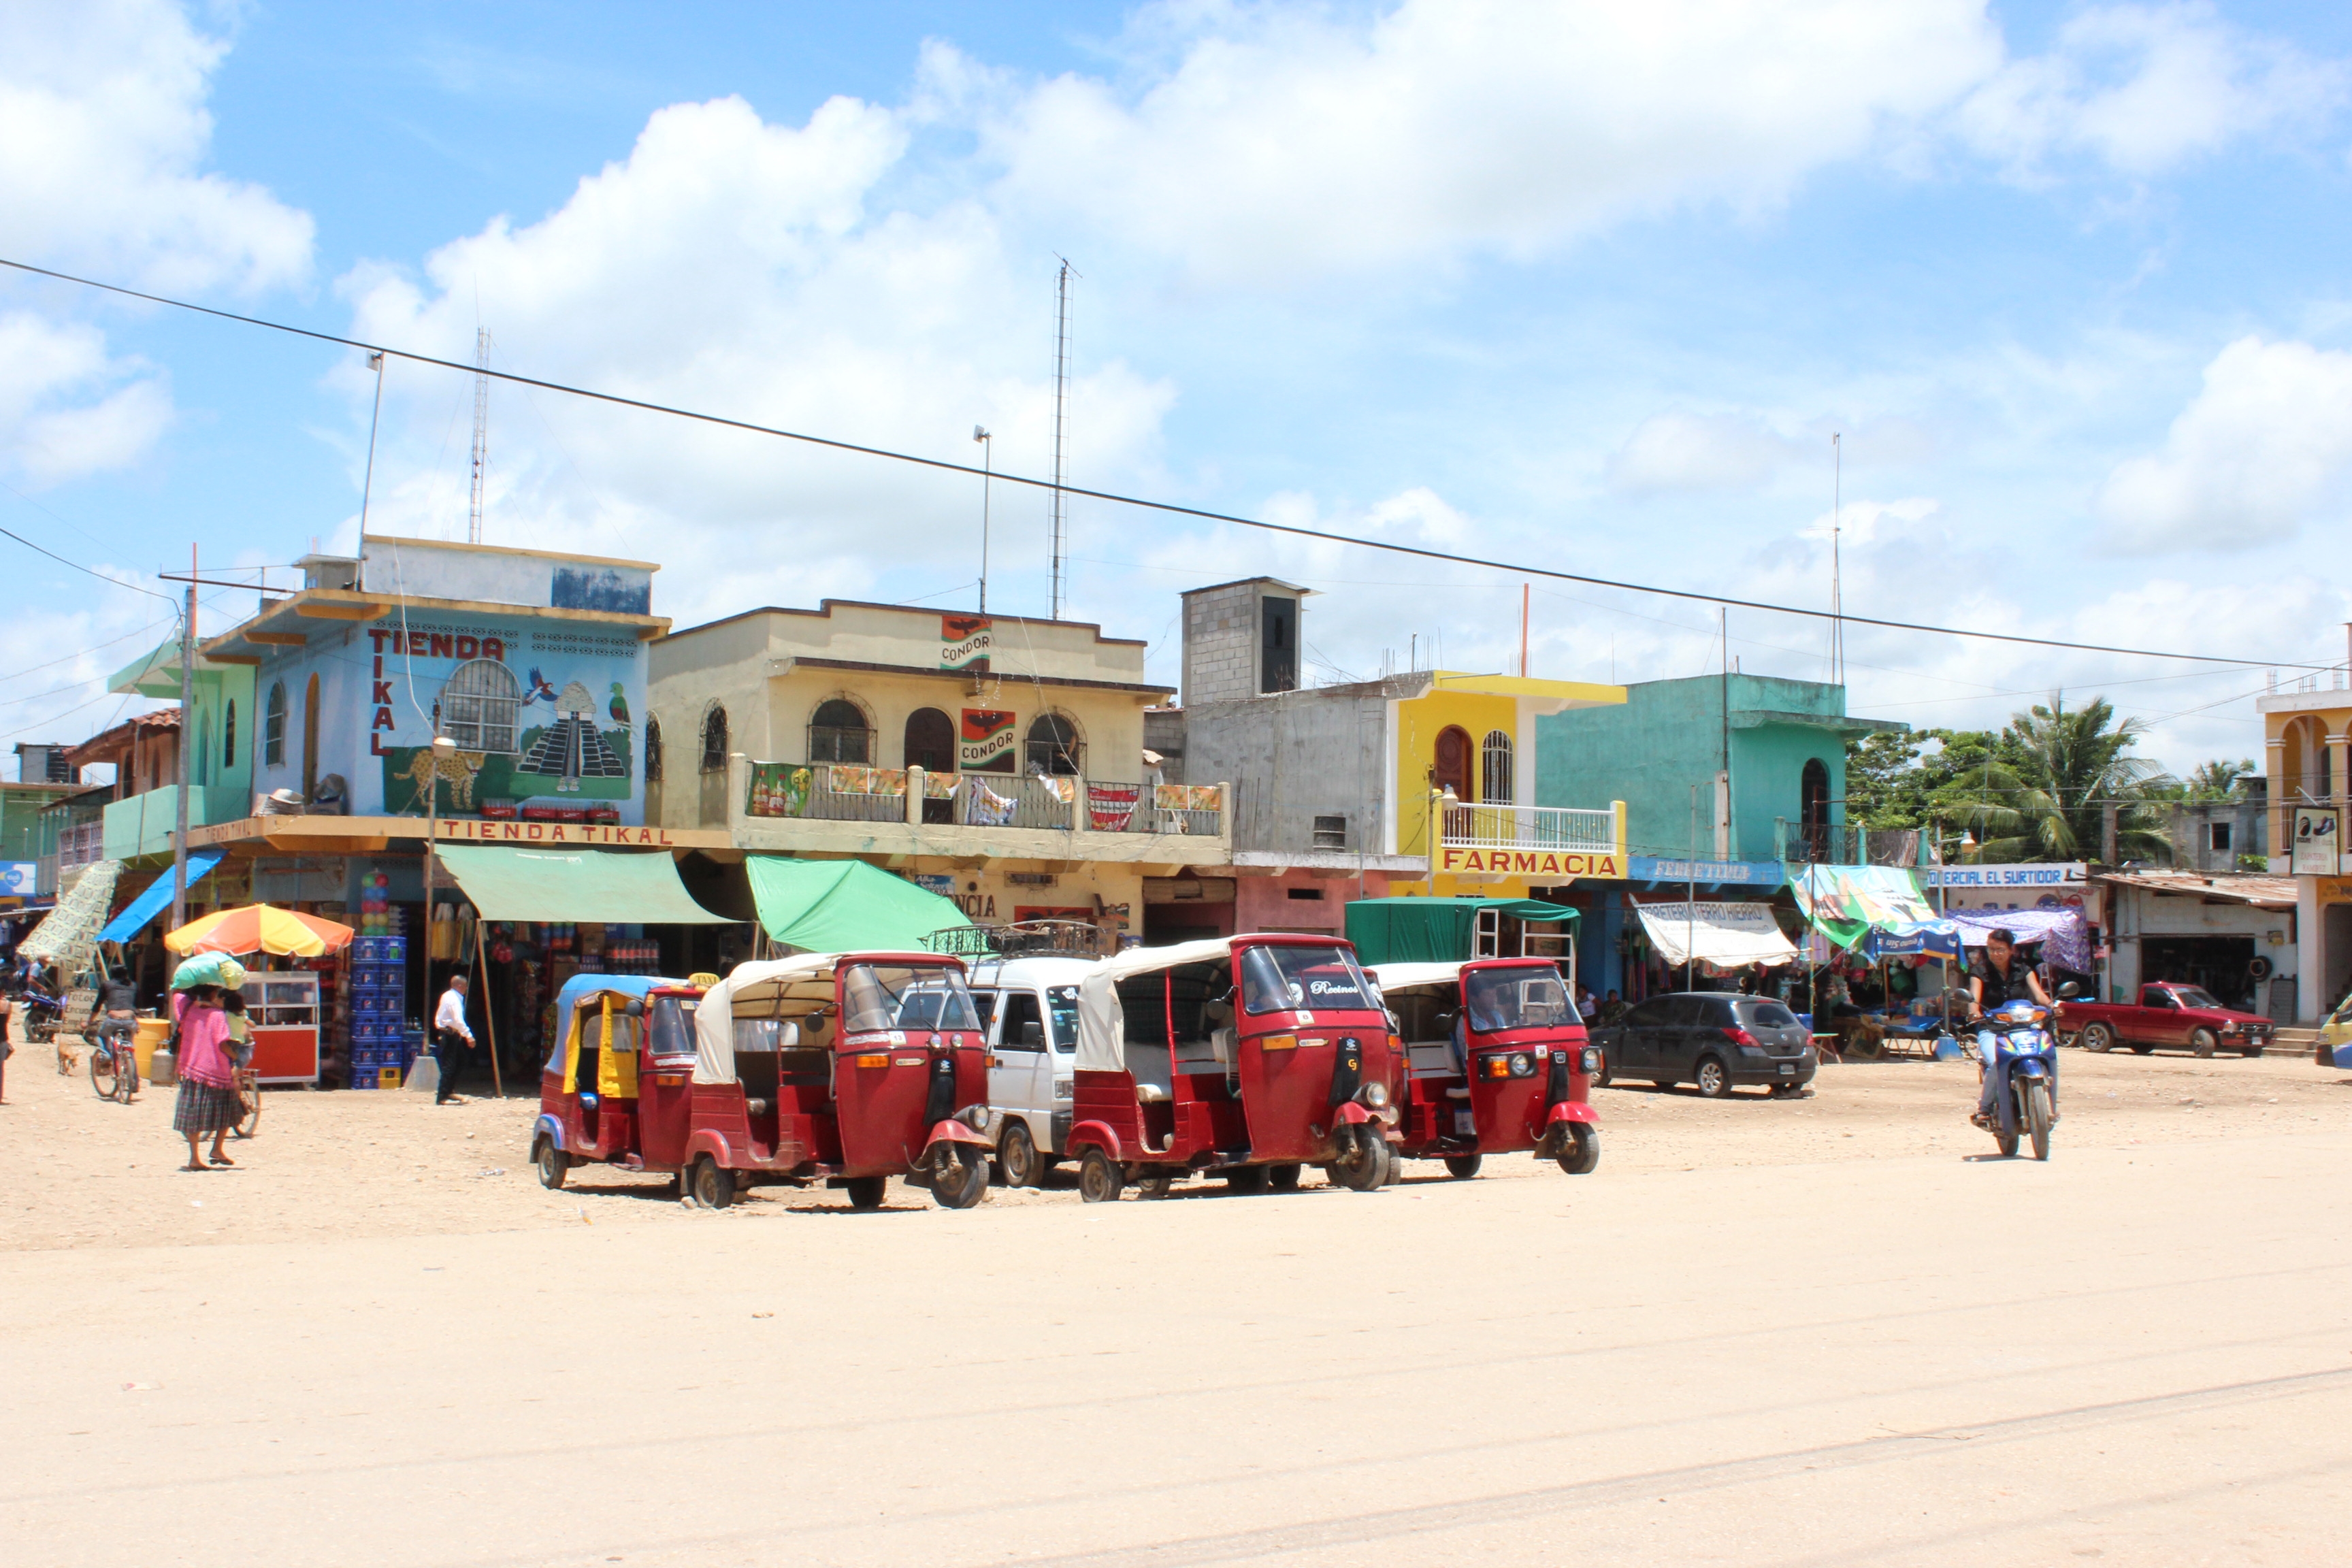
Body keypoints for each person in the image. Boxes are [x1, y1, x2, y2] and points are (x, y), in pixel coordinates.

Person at [1968, 928, 2053, 1128]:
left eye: (2000, 949)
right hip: (1992, 1030)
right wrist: (1974, 1012)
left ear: (2011, 950)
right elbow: (1974, 999)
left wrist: (2051, 1006)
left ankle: (2046, 1102)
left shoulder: (2024, 970)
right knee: (1998, 1061)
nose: (1995, 954)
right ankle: (1984, 1109)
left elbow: (2039, 995)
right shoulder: (1979, 972)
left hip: (2024, 1029)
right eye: (1991, 949)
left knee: (2045, 1053)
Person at [170, 985, 242, 1169]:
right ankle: (217, 1148)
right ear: (215, 994)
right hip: (215, 1070)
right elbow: (223, 1045)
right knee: (226, 1113)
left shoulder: (189, 1009)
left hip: (192, 1068)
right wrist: (235, 1056)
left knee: (192, 1116)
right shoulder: (218, 1016)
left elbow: (176, 993)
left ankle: (194, 1157)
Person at [433, 972, 476, 1105]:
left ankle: (449, 1090)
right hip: (449, 1034)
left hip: (452, 1034)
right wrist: (469, 1036)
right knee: (449, 1066)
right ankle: (442, 1097)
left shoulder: (450, 996)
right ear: (459, 986)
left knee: (461, 1060)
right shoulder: (453, 999)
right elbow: (458, 1020)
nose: (466, 989)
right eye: (465, 986)